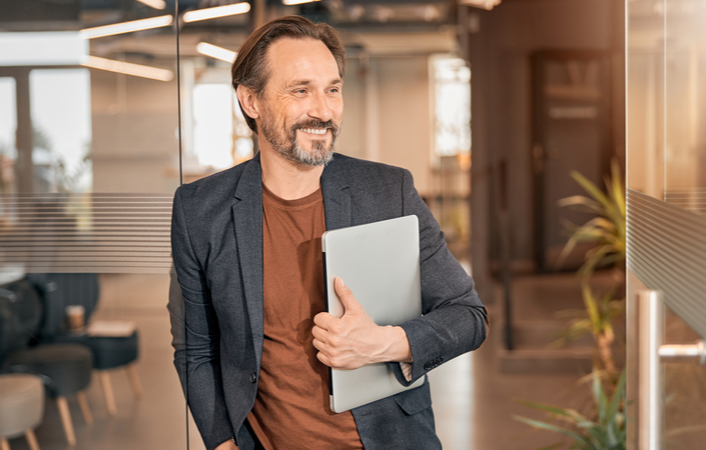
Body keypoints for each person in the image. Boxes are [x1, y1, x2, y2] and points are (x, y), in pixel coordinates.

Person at [168, 15, 487, 450]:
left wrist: (386, 343)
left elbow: (468, 315)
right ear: (251, 101)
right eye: (301, 90)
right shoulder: (200, 209)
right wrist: (223, 443)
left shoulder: (387, 192)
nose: (323, 109)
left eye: (332, 89)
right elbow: (196, 350)